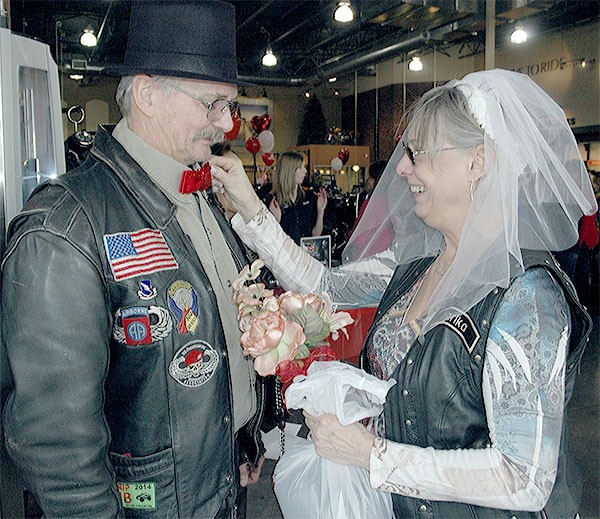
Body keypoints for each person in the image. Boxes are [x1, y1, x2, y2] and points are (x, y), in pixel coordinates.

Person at [210, 69, 597, 517]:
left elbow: (524, 478)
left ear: (478, 161)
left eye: (418, 153)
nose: (403, 167)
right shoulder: (415, 265)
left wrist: (372, 455)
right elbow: (323, 283)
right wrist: (250, 207)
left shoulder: (527, 298)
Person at [1, 1, 268, 517]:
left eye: (229, 106)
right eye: (212, 104)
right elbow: (57, 451)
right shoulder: (65, 228)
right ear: (146, 94)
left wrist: (243, 436)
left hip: (217, 484)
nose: (226, 124)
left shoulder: (202, 196)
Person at [267, 151, 328, 244]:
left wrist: (320, 211)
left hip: (305, 255)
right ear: (290, 170)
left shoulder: (308, 197)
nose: (305, 171)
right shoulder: (273, 202)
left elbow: (315, 235)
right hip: (285, 256)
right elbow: (270, 241)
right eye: (300, 167)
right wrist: (276, 221)